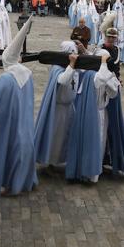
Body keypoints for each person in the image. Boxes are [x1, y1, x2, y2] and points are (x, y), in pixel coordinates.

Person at [0, 17, 37, 197]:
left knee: (7, 149)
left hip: (10, 124)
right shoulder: (26, 74)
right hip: (25, 123)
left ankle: (9, 184)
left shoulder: (6, 79)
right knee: (23, 148)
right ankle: (23, 181)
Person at [65, 50, 124, 183]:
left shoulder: (99, 74)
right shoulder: (91, 74)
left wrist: (113, 78)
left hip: (101, 113)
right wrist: (105, 66)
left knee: (100, 142)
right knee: (92, 141)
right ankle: (89, 172)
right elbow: (100, 80)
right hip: (92, 113)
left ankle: (95, 168)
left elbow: (113, 93)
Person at [34, 41, 79, 169]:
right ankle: (51, 161)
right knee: (56, 137)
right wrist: (71, 65)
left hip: (69, 107)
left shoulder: (73, 68)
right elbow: (63, 80)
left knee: (66, 136)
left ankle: (62, 159)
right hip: (58, 109)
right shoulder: (57, 68)